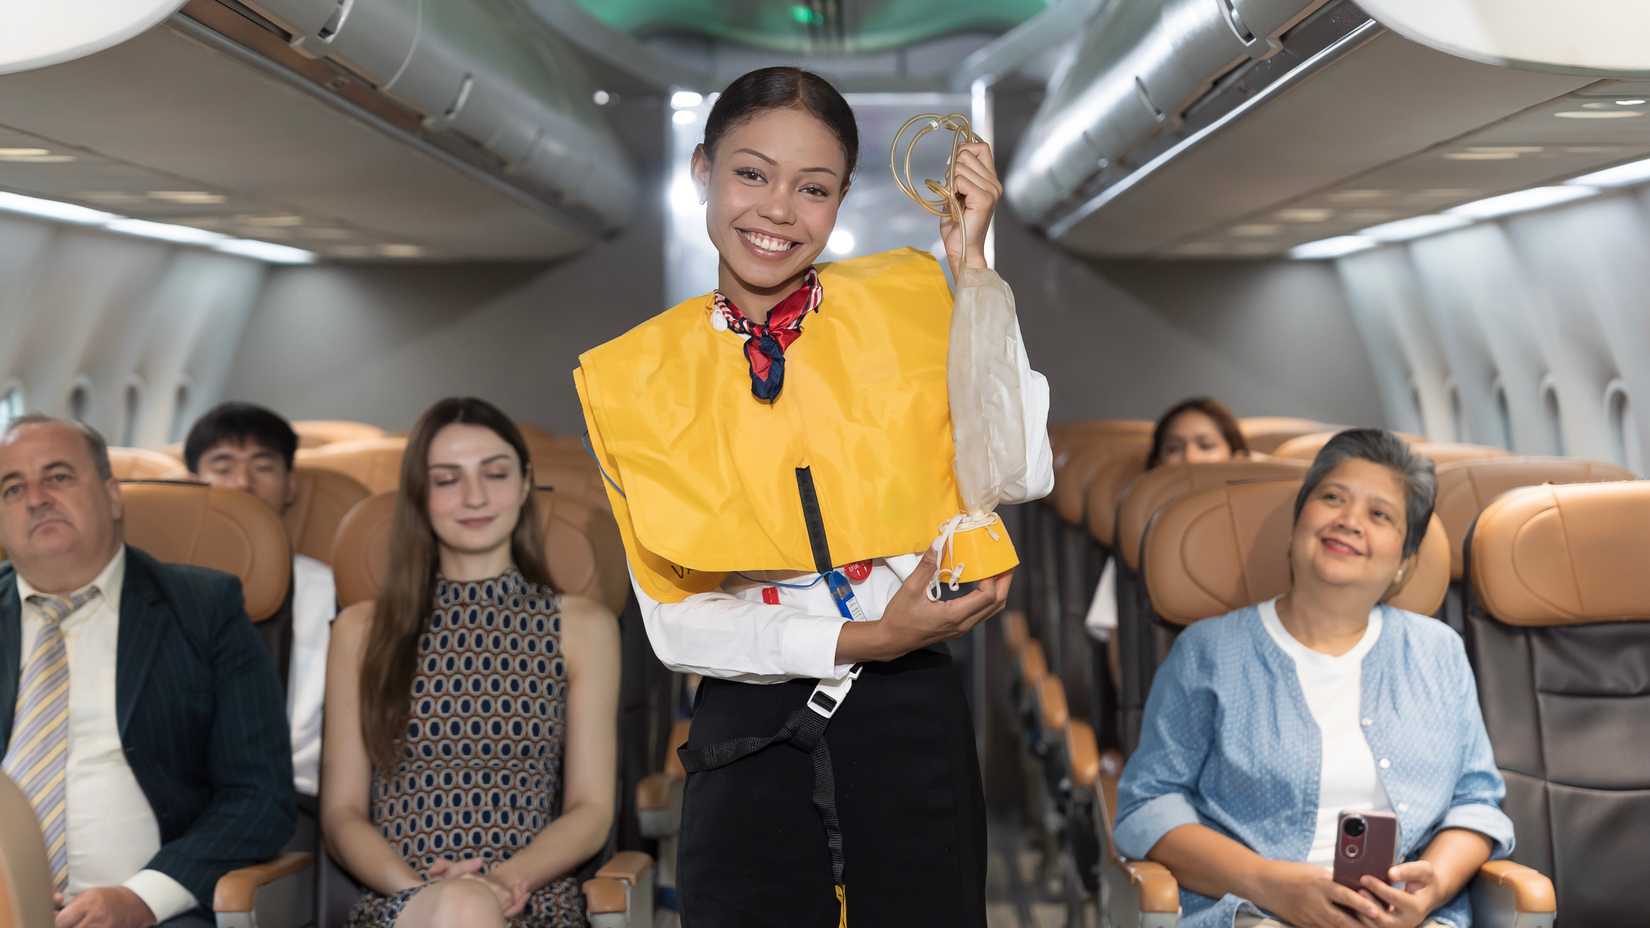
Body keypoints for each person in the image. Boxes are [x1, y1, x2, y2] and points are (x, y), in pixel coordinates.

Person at [575, 67, 1052, 926]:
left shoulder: (909, 311)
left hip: (910, 713)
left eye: (813, 188)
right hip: (748, 724)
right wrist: (872, 635)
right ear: (701, 172)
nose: (778, 211)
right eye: (750, 174)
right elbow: (679, 625)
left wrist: (971, 269)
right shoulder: (638, 378)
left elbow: (1015, 468)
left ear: (839, 202)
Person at [1113, 429, 1512, 928]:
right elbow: (1148, 807)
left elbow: (1475, 803)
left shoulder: (1439, 652)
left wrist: (1434, 886)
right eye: (1332, 499)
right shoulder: (1208, 652)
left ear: (1404, 563)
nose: (1349, 521)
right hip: (1253, 912)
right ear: (1297, 523)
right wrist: (1269, 883)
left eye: (1380, 515)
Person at [322, 397, 620, 928]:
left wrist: (500, 884)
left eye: (495, 474)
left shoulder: (582, 626)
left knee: (466, 906)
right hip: (398, 899)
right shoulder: (361, 630)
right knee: (460, 908)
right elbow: (342, 814)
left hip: (531, 895)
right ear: (420, 495)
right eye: (447, 479)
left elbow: (592, 809)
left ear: (525, 484)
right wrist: (423, 893)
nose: (475, 496)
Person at [0, 415, 294, 927]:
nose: (37, 499)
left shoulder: (204, 610)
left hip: (147, 914)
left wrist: (142, 898)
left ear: (113, 495)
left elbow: (259, 798)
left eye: (58, 477)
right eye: (12, 488)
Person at [184, 402, 337, 800]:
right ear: (192, 483)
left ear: (291, 484)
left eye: (263, 466)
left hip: (290, 794)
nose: (243, 483)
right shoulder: (157, 588)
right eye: (223, 467)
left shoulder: (331, 591)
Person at [1085, 397, 1250, 642]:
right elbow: (1121, 653)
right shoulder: (1138, 541)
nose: (1190, 457)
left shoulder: (1262, 533)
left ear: (1238, 459)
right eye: (1174, 449)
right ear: (1157, 464)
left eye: (1206, 446)